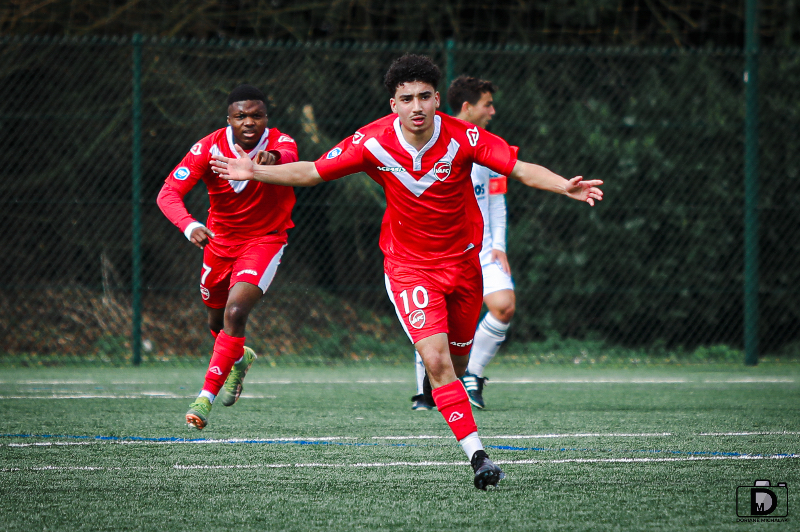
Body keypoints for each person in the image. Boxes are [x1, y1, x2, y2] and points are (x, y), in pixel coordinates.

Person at [210, 54, 603, 490]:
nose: (415, 106)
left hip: (463, 265)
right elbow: (312, 171)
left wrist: (564, 184)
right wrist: (256, 170)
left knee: (455, 364)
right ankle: (479, 458)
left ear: (437, 100)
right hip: (408, 267)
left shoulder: (465, 137)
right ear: (393, 104)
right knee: (436, 361)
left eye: (423, 97)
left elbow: (520, 169)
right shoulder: (371, 141)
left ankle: (450, 395)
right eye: (405, 98)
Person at [157, 84, 299, 430]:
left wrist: (270, 161)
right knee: (216, 323)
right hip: (218, 244)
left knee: (236, 312)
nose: (249, 122)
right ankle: (239, 358)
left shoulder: (281, 142)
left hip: (264, 241)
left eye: (256, 115)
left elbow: (288, 158)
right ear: (229, 119)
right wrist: (190, 225)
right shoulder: (207, 148)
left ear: (266, 117)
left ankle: (204, 399)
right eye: (241, 116)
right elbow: (168, 192)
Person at [411, 75, 514, 411]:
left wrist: (499, 244)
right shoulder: (430, 139)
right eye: (487, 104)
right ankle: (424, 390)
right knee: (434, 317)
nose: (493, 111)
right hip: (439, 248)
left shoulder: (491, 144)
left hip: (482, 247)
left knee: (504, 306)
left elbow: (497, 200)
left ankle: (473, 374)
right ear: (468, 107)